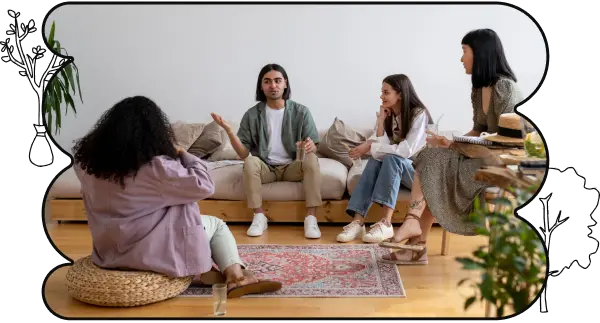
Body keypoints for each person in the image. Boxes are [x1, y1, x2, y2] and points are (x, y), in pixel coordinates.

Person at [71, 95, 282, 298]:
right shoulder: (156, 168)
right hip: (150, 251)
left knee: (169, 205)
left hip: (109, 249)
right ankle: (236, 276)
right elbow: (204, 185)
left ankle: (214, 269)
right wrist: (182, 153)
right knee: (215, 225)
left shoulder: (86, 166)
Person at [378, 28, 524, 265]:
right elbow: (478, 128)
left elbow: (513, 139)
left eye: (464, 51)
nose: (461, 58)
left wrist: (461, 146)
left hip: (501, 163)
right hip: (480, 157)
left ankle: (416, 242)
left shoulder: (504, 88)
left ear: (481, 53)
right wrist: (450, 143)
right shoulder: (479, 89)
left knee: (435, 168)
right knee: (430, 156)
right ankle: (415, 235)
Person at [210, 63, 323, 239]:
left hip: (293, 166)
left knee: (312, 159)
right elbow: (243, 154)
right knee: (249, 162)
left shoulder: (301, 112)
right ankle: (259, 216)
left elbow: (315, 143)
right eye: (267, 81)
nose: (273, 85)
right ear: (261, 86)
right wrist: (230, 132)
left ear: (285, 83)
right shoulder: (252, 114)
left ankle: (311, 219)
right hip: (266, 168)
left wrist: (311, 146)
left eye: (278, 80)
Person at [336, 74, 432, 243]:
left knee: (391, 158)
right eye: (382, 92)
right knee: (377, 160)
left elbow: (405, 151)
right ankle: (358, 222)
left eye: (386, 92)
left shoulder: (419, 115)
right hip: (398, 171)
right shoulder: (389, 115)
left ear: (400, 94)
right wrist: (381, 121)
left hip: (419, 176)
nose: (381, 96)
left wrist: (372, 147)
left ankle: (386, 223)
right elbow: (379, 148)